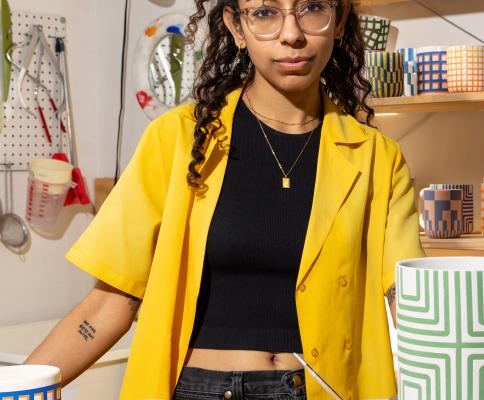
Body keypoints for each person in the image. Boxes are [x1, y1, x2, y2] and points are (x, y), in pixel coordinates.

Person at [23, 0, 424, 398]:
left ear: (339, 22)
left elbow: (410, 302)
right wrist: (15, 387)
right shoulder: (177, 140)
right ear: (236, 27)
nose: (291, 34)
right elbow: (109, 304)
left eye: (312, 8)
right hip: (201, 390)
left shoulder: (377, 158)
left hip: (322, 390)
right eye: (265, 13)